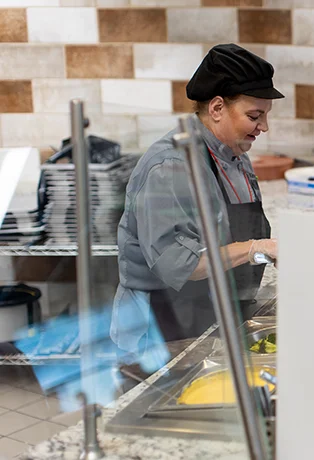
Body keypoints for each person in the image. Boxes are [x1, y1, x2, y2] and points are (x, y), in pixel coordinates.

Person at [111, 44, 282, 352]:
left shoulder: (234, 155)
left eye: (265, 116)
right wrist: (256, 248)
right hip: (162, 330)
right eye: (254, 115)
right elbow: (182, 265)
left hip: (211, 314)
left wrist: (268, 250)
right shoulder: (172, 166)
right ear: (217, 108)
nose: (264, 127)